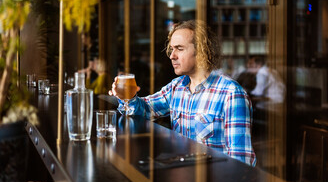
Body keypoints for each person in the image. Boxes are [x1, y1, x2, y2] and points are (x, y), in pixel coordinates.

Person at [109, 20, 256, 166]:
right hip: (181, 175)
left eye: (179, 49)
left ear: (202, 52)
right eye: (172, 49)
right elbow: (145, 109)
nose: (172, 56)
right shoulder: (176, 87)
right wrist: (128, 97)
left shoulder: (231, 94)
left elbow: (241, 162)